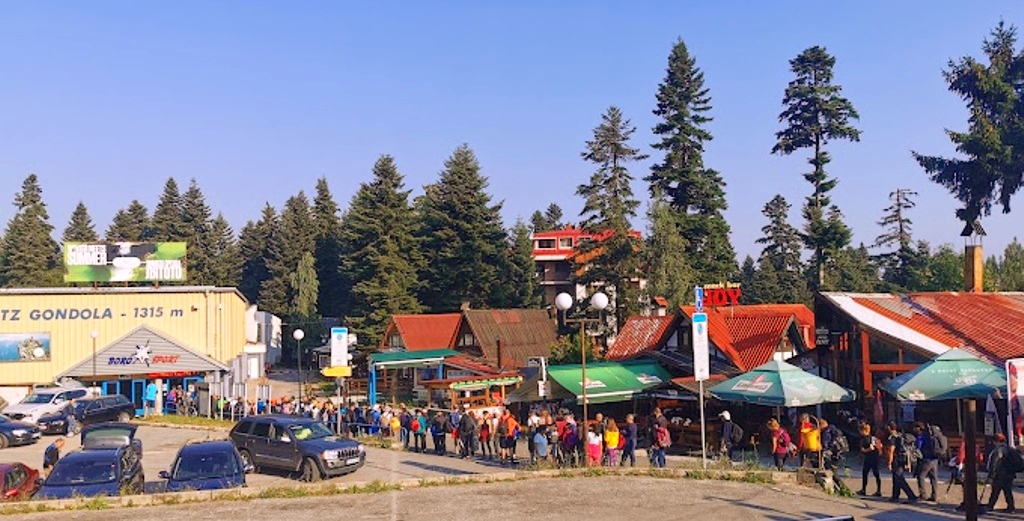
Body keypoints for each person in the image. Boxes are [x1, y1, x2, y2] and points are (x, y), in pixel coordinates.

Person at [886, 421, 919, 504]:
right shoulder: (900, 435)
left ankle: (911, 496)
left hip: (897, 459)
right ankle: (895, 496)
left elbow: (891, 450)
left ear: (889, 427)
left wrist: (889, 462)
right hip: (903, 458)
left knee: (899, 478)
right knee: (896, 477)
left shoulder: (892, 437)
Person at [983, 433, 1016, 514]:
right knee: (1007, 491)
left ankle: (990, 505)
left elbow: (995, 463)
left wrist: (991, 476)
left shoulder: (998, 450)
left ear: (996, 441)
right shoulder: (1009, 449)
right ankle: (1011, 507)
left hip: (1000, 474)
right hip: (1009, 473)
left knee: (995, 490)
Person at [912, 422, 939, 502]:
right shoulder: (929, 436)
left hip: (926, 459)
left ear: (918, 428)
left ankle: (923, 494)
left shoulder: (921, 437)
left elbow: (918, 448)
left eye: (915, 427)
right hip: (934, 459)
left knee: (921, 476)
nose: (913, 429)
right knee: (934, 478)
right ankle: (934, 495)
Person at [857, 423, 883, 497]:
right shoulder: (873, 438)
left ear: (863, 431)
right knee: (876, 474)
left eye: (860, 431)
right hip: (875, 458)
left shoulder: (863, 439)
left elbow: (863, 450)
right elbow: (880, 446)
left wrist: (867, 450)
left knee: (865, 473)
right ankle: (878, 490)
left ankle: (863, 490)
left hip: (868, 458)